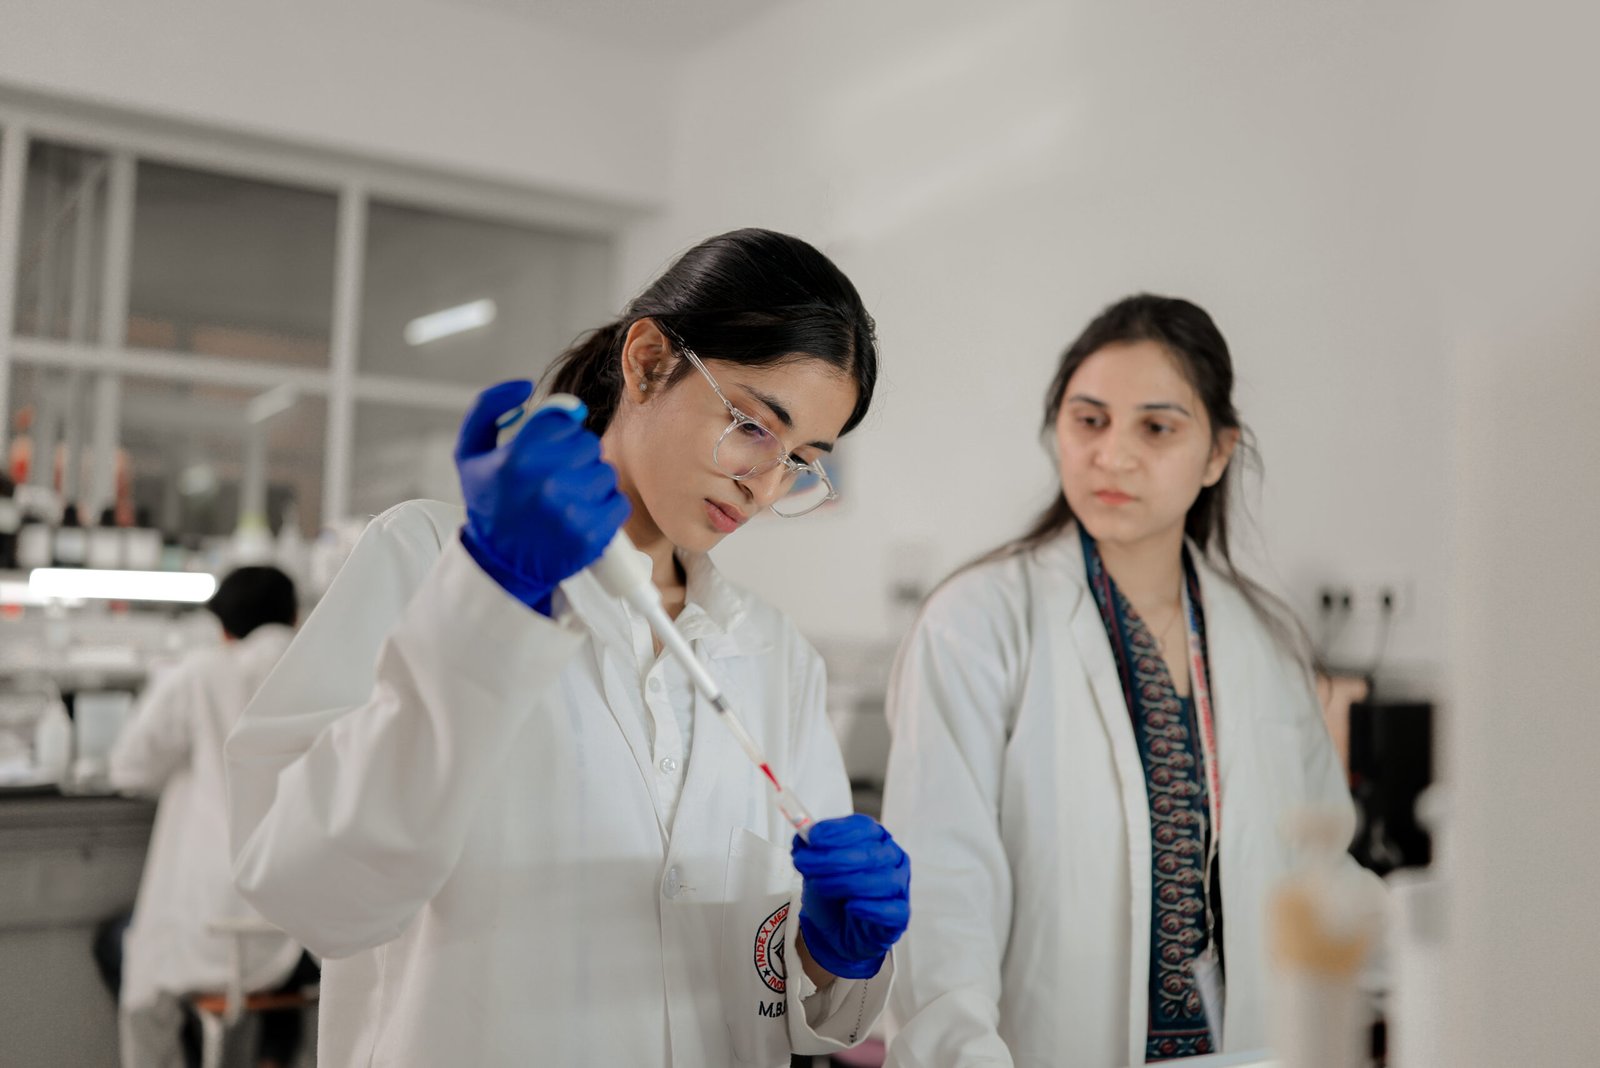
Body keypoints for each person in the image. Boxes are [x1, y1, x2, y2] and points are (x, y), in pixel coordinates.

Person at [225, 229, 911, 1067]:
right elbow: (311, 892)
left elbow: (781, 998)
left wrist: (828, 955)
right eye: (751, 426)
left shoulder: (774, 654)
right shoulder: (431, 559)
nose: (762, 486)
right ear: (649, 361)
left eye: (801, 461)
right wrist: (491, 601)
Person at [881, 294, 1369, 1066]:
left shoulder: (1266, 641)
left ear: (1217, 453)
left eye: (1157, 428)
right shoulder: (976, 623)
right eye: (1090, 420)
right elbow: (944, 895)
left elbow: (1322, 867)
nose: (1113, 455)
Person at [110, 565, 316, 1068]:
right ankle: (275, 1055)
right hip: (310, 940)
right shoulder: (327, 672)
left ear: (223, 628)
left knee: (120, 947)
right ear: (295, 616)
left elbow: (129, 769)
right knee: (284, 974)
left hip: (215, 937)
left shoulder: (201, 674)